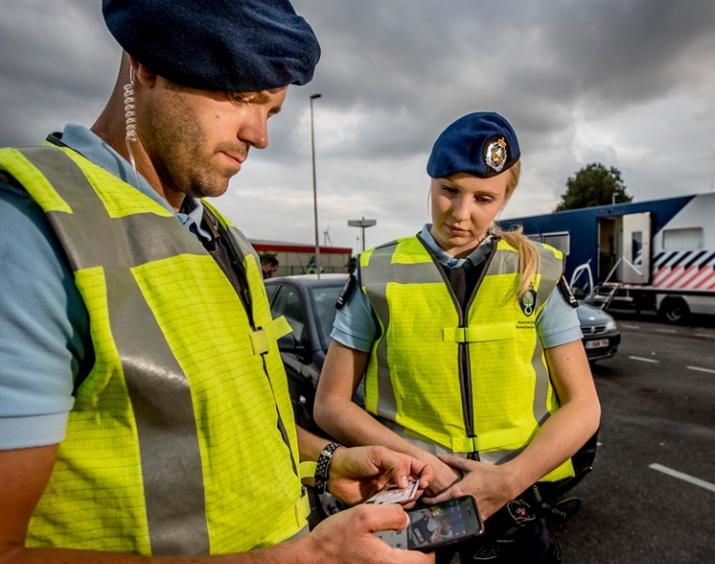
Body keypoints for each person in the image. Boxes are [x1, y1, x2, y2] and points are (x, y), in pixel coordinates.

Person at [0, 1, 434, 563]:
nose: (259, 135)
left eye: (271, 110)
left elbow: (219, 427)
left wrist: (327, 462)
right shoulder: (32, 231)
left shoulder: (220, 237)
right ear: (147, 65)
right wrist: (305, 559)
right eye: (239, 96)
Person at [314, 112, 602, 563]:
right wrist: (424, 464)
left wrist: (507, 480)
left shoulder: (538, 271)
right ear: (430, 181)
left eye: (484, 198)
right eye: (449, 190)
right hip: (411, 507)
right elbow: (330, 403)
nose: (462, 214)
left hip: (515, 509)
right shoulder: (376, 271)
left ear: (505, 200)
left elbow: (584, 405)